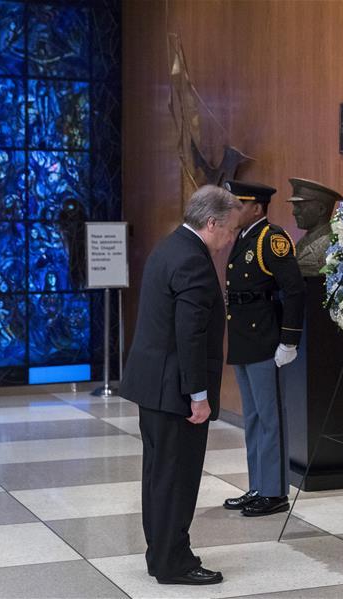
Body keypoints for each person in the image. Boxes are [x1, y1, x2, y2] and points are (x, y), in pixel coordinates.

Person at [121, 184, 241, 586]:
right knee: (177, 477)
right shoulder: (193, 261)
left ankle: (161, 553)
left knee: (159, 475)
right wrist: (199, 396)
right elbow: (190, 333)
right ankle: (174, 562)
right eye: (229, 231)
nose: (230, 240)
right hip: (175, 391)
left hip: (153, 385)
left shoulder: (170, 246)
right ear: (211, 223)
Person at [221, 180, 306, 516]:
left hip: (265, 338)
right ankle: (258, 484)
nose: (232, 211)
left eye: (237, 204)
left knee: (269, 417)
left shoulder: (272, 239)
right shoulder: (244, 237)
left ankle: (274, 492)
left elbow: (295, 291)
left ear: (256, 207)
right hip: (244, 337)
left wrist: (289, 340)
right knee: (254, 417)